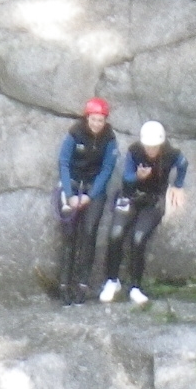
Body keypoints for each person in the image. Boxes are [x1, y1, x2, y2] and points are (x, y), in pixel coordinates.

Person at [100, 120, 186, 307]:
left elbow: (183, 164)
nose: (151, 150)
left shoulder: (171, 154)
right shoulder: (135, 152)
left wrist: (178, 185)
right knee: (116, 233)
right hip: (130, 196)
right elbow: (127, 178)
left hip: (153, 200)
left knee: (138, 237)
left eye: (154, 147)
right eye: (148, 146)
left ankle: (135, 287)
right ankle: (112, 281)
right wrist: (137, 177)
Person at [56, 98, 118, 305]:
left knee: (89, 232)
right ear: (87, 118)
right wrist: (69, 193)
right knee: (69, 233)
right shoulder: (75, 134)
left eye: (100, 120)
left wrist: (90, 197)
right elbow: (64, 162)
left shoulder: (109, 139)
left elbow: (107, 169)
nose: (97, 124)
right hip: (72, 185)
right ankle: (64, 284)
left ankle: (82, 283)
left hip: (94, 189)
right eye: (93, 119)